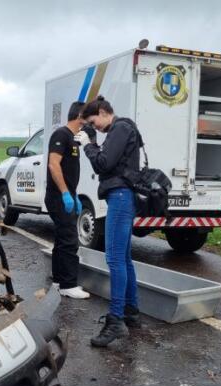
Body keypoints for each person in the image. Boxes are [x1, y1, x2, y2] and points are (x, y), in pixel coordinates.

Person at [81, 95, 141, 347]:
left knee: (114, 259)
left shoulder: (120, 128)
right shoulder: (121, 129)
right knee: (124, 259)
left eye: (93, 122)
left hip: (120, 197)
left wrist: (88, 145)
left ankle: (116, 320)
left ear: (104, 112)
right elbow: (108, 162)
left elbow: (103, 164)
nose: (93, 127)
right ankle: (131, 312)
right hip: (123, 197)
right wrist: (95, 143)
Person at [45, 101, 90, 299]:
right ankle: (68, 285)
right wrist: (64, 193)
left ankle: (58, 280)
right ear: (79, 116)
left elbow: (69, 172)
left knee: (62, 239)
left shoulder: (74, 139)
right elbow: (53, 165)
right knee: (70, 240)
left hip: (67, 195)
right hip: (58, 197)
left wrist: (74, 194)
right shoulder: (61, 134)